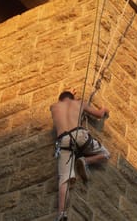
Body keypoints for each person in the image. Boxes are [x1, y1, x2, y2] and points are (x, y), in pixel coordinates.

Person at [50, 89, 110, 221]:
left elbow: (64, 104)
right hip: (79, 135)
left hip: (64, 141)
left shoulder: (54, 107)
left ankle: (61, 214)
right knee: (105, 154)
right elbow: (99, 114)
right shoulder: (80, 103)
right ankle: (85, 161)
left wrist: (69, 94)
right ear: (72, 97)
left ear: (60, 99)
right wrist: (104, 110)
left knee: (64, 179)